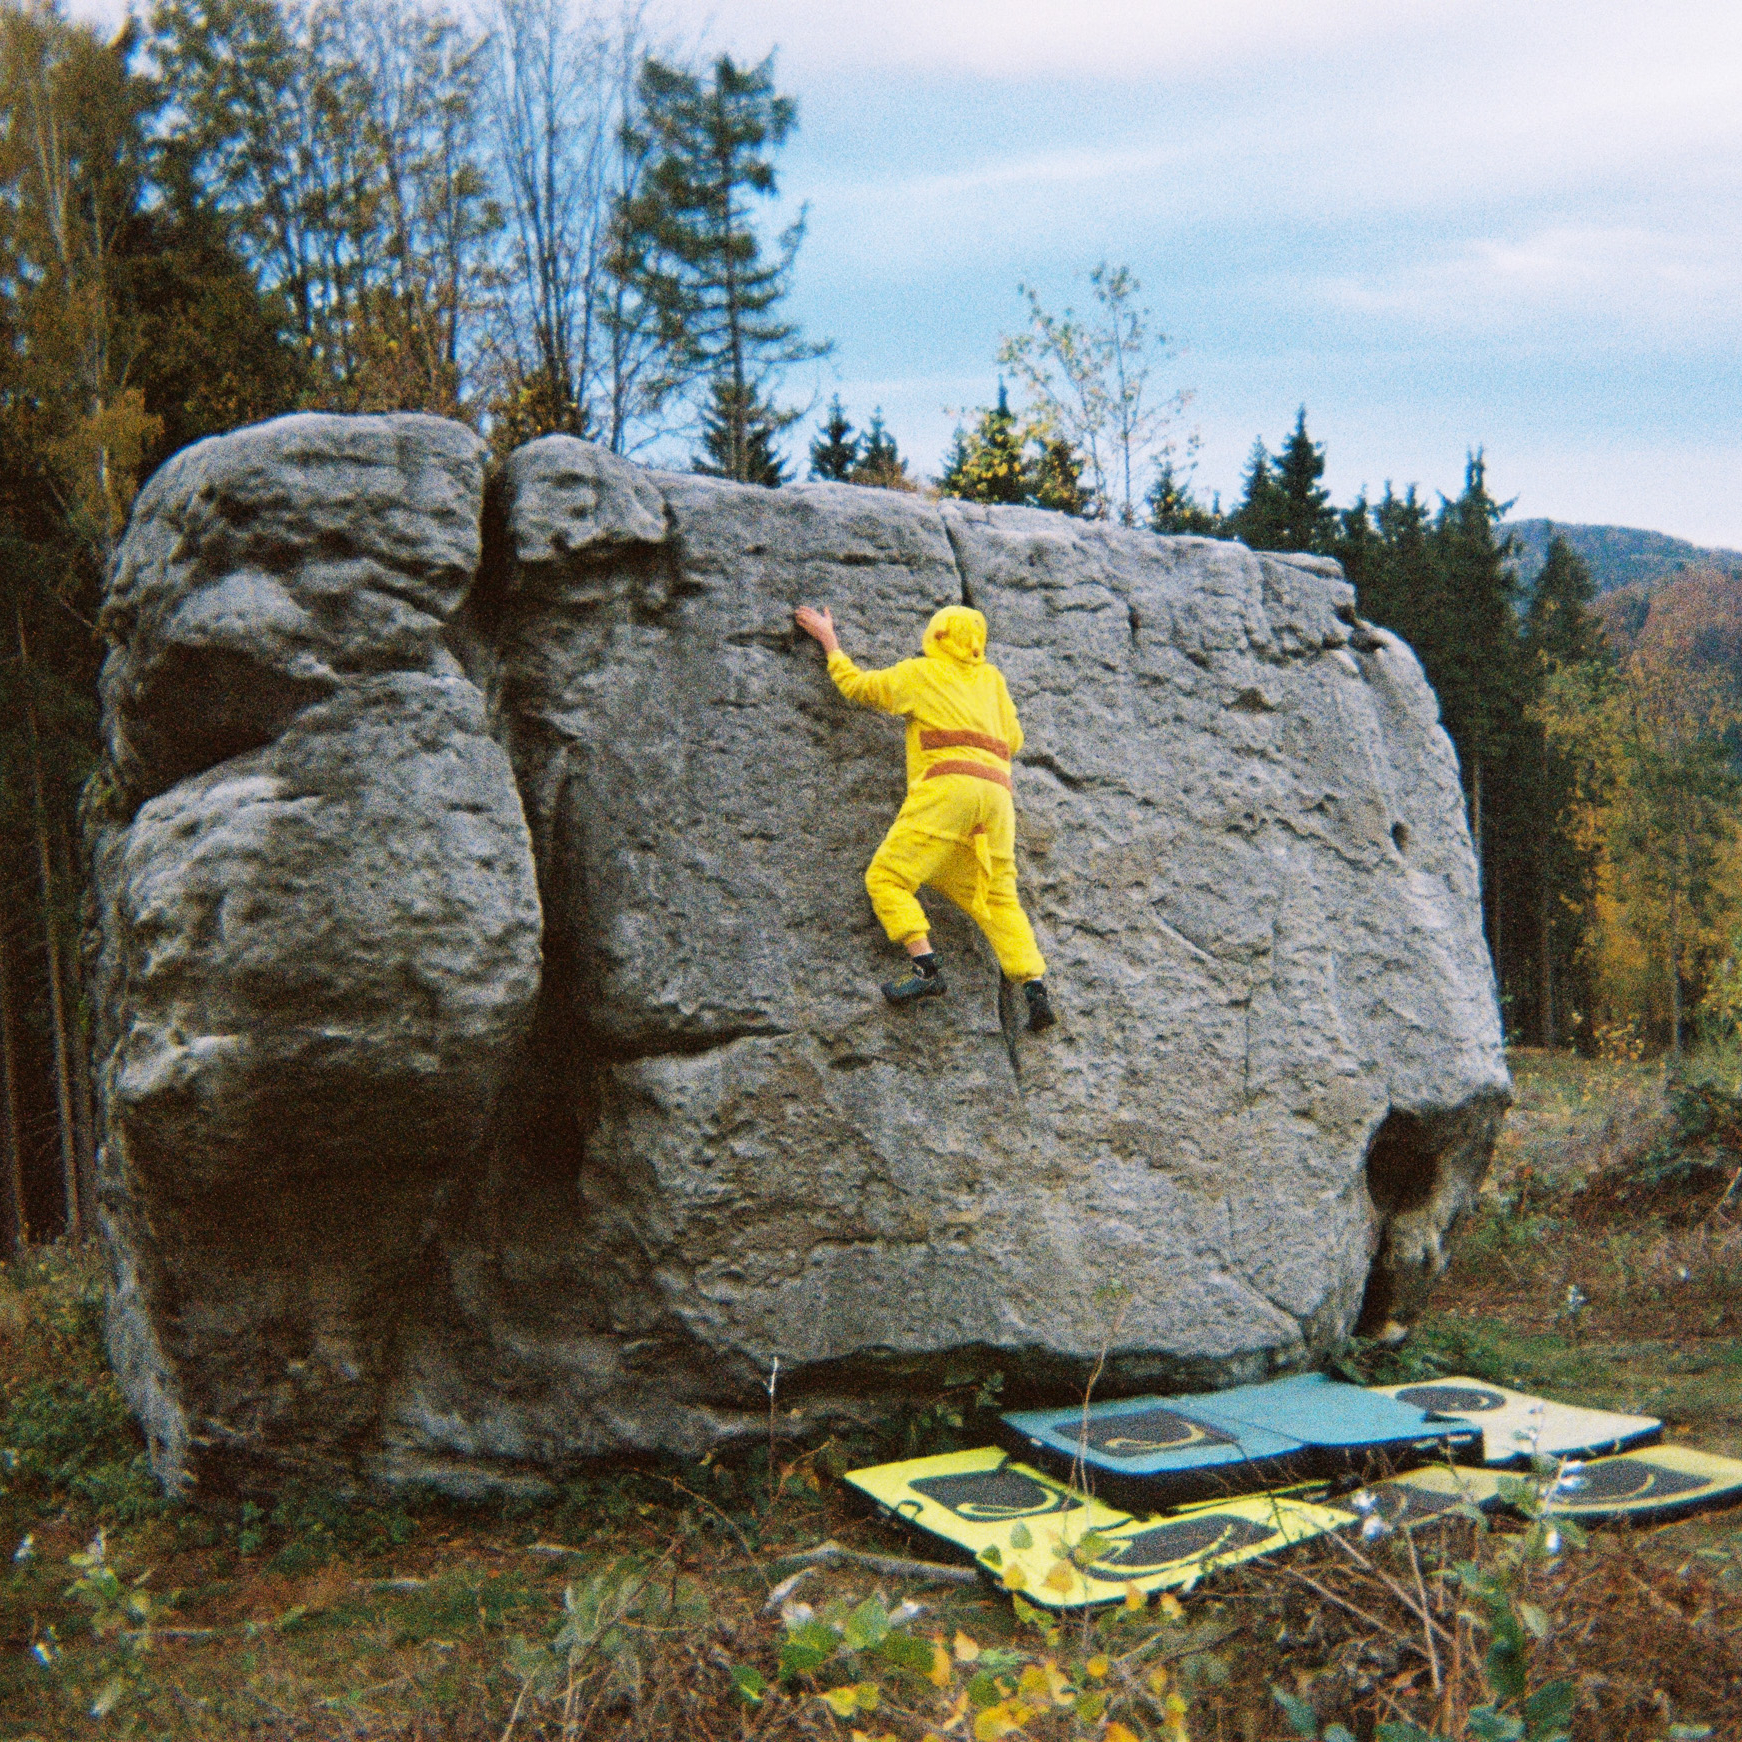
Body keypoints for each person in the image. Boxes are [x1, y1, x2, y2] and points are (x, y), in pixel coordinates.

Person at [793, 601, 1056, 1032]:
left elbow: (859, 687)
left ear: (936, 637)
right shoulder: (992, 679)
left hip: (948, 788)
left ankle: (926, 970)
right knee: (997, 894)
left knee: (888, 877)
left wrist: (829, 642)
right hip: (998, 797)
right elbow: (1015, 738)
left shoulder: (921, 673)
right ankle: (1035, 987)